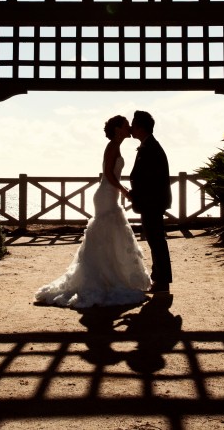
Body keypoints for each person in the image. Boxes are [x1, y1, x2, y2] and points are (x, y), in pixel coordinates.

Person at [35, 115, 151, 308]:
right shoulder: (113, 146)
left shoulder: (117, 145)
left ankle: (110, 275)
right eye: (125, 125)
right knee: (106, 233)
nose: (129, 127)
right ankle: (102, 278)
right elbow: (108, 173)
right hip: (106, 194)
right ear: (117, 130)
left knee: (110, 235)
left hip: (110, 194)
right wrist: (124, 191)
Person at [128, 110, 173, 293]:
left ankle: (162, 281)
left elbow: (149, 179)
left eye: (133, 124)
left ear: (140, 127)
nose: (131, 128)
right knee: (155, 240)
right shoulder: (149, 145)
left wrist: (135, 194)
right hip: (151, 202)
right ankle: (160, 279)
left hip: (152, 202)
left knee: (156, 241)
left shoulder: (150, 148)